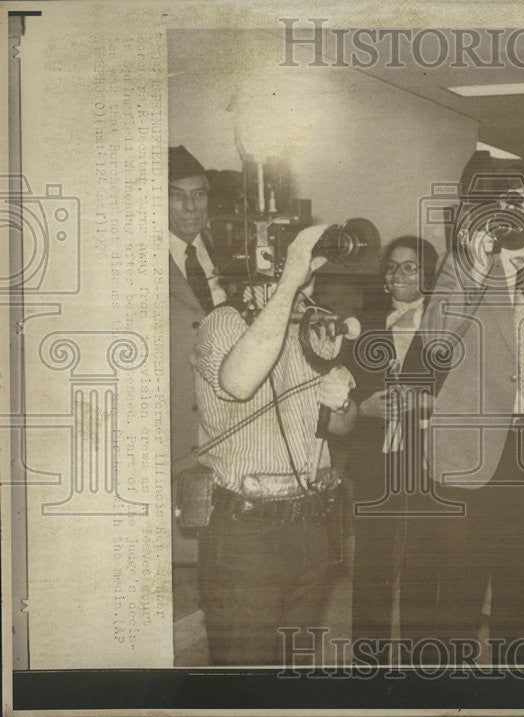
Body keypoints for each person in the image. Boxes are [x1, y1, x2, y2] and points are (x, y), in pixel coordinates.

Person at [413, 152, 524, 665]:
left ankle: (515, 687)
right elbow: (436, 341)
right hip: (470, 447)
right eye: (511, 203)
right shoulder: (461, 266)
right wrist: (477, 262)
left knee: (519, 591)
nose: (522, 213)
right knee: (459, 594)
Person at [192, 225, 357, 665]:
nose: (307, 281)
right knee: (245, 680)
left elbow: (342, 428)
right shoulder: (222, 324)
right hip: (247, 536)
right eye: (297, 269)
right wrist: (290, 283)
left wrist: (340, 402)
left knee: (293, 675)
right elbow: (240, 383)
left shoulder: (315, 328)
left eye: (310, 272)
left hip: (312, 527)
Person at [338, 235, 440, 664]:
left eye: (410, 267)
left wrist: (423, 401)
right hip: (374, 455)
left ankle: (420, 660)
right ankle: (369, 662)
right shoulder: (361, 324)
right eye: (392, 267)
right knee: (373, 562)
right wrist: (362, 407)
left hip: (428, 458)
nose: (399, 275)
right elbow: (340, 390)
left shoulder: (446, 323)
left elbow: (463, 393)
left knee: (423, 559)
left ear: (428, 274)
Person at [168, 146, 226, 561]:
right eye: (176, 195)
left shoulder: (225, 252)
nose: (190, 206)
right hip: (175, 427)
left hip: (225, 424)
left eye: (199, 194)